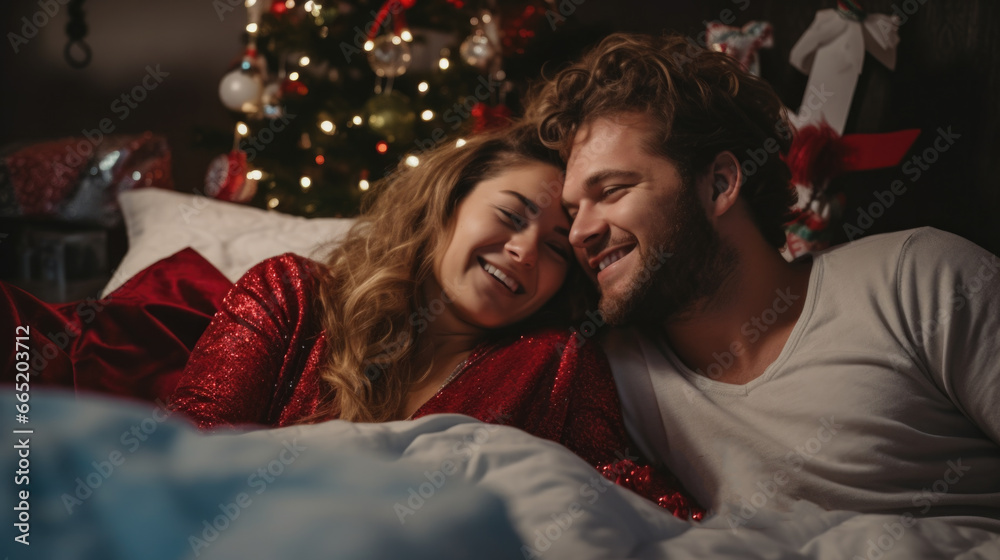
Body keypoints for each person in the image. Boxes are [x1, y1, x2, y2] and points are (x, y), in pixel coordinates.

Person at [529, 33, 1000, 532]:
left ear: (720, 184)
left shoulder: (917, 278)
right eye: (574, 210)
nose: (580, 231)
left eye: (613, 190)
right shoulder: (612, 377)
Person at [167, 123, 701, 518]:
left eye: (557, 249)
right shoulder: (291, 294)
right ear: (448, 202)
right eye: (511, 217)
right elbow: (184, 458)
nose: (525, 251)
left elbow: (622, 502)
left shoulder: (555, 361)